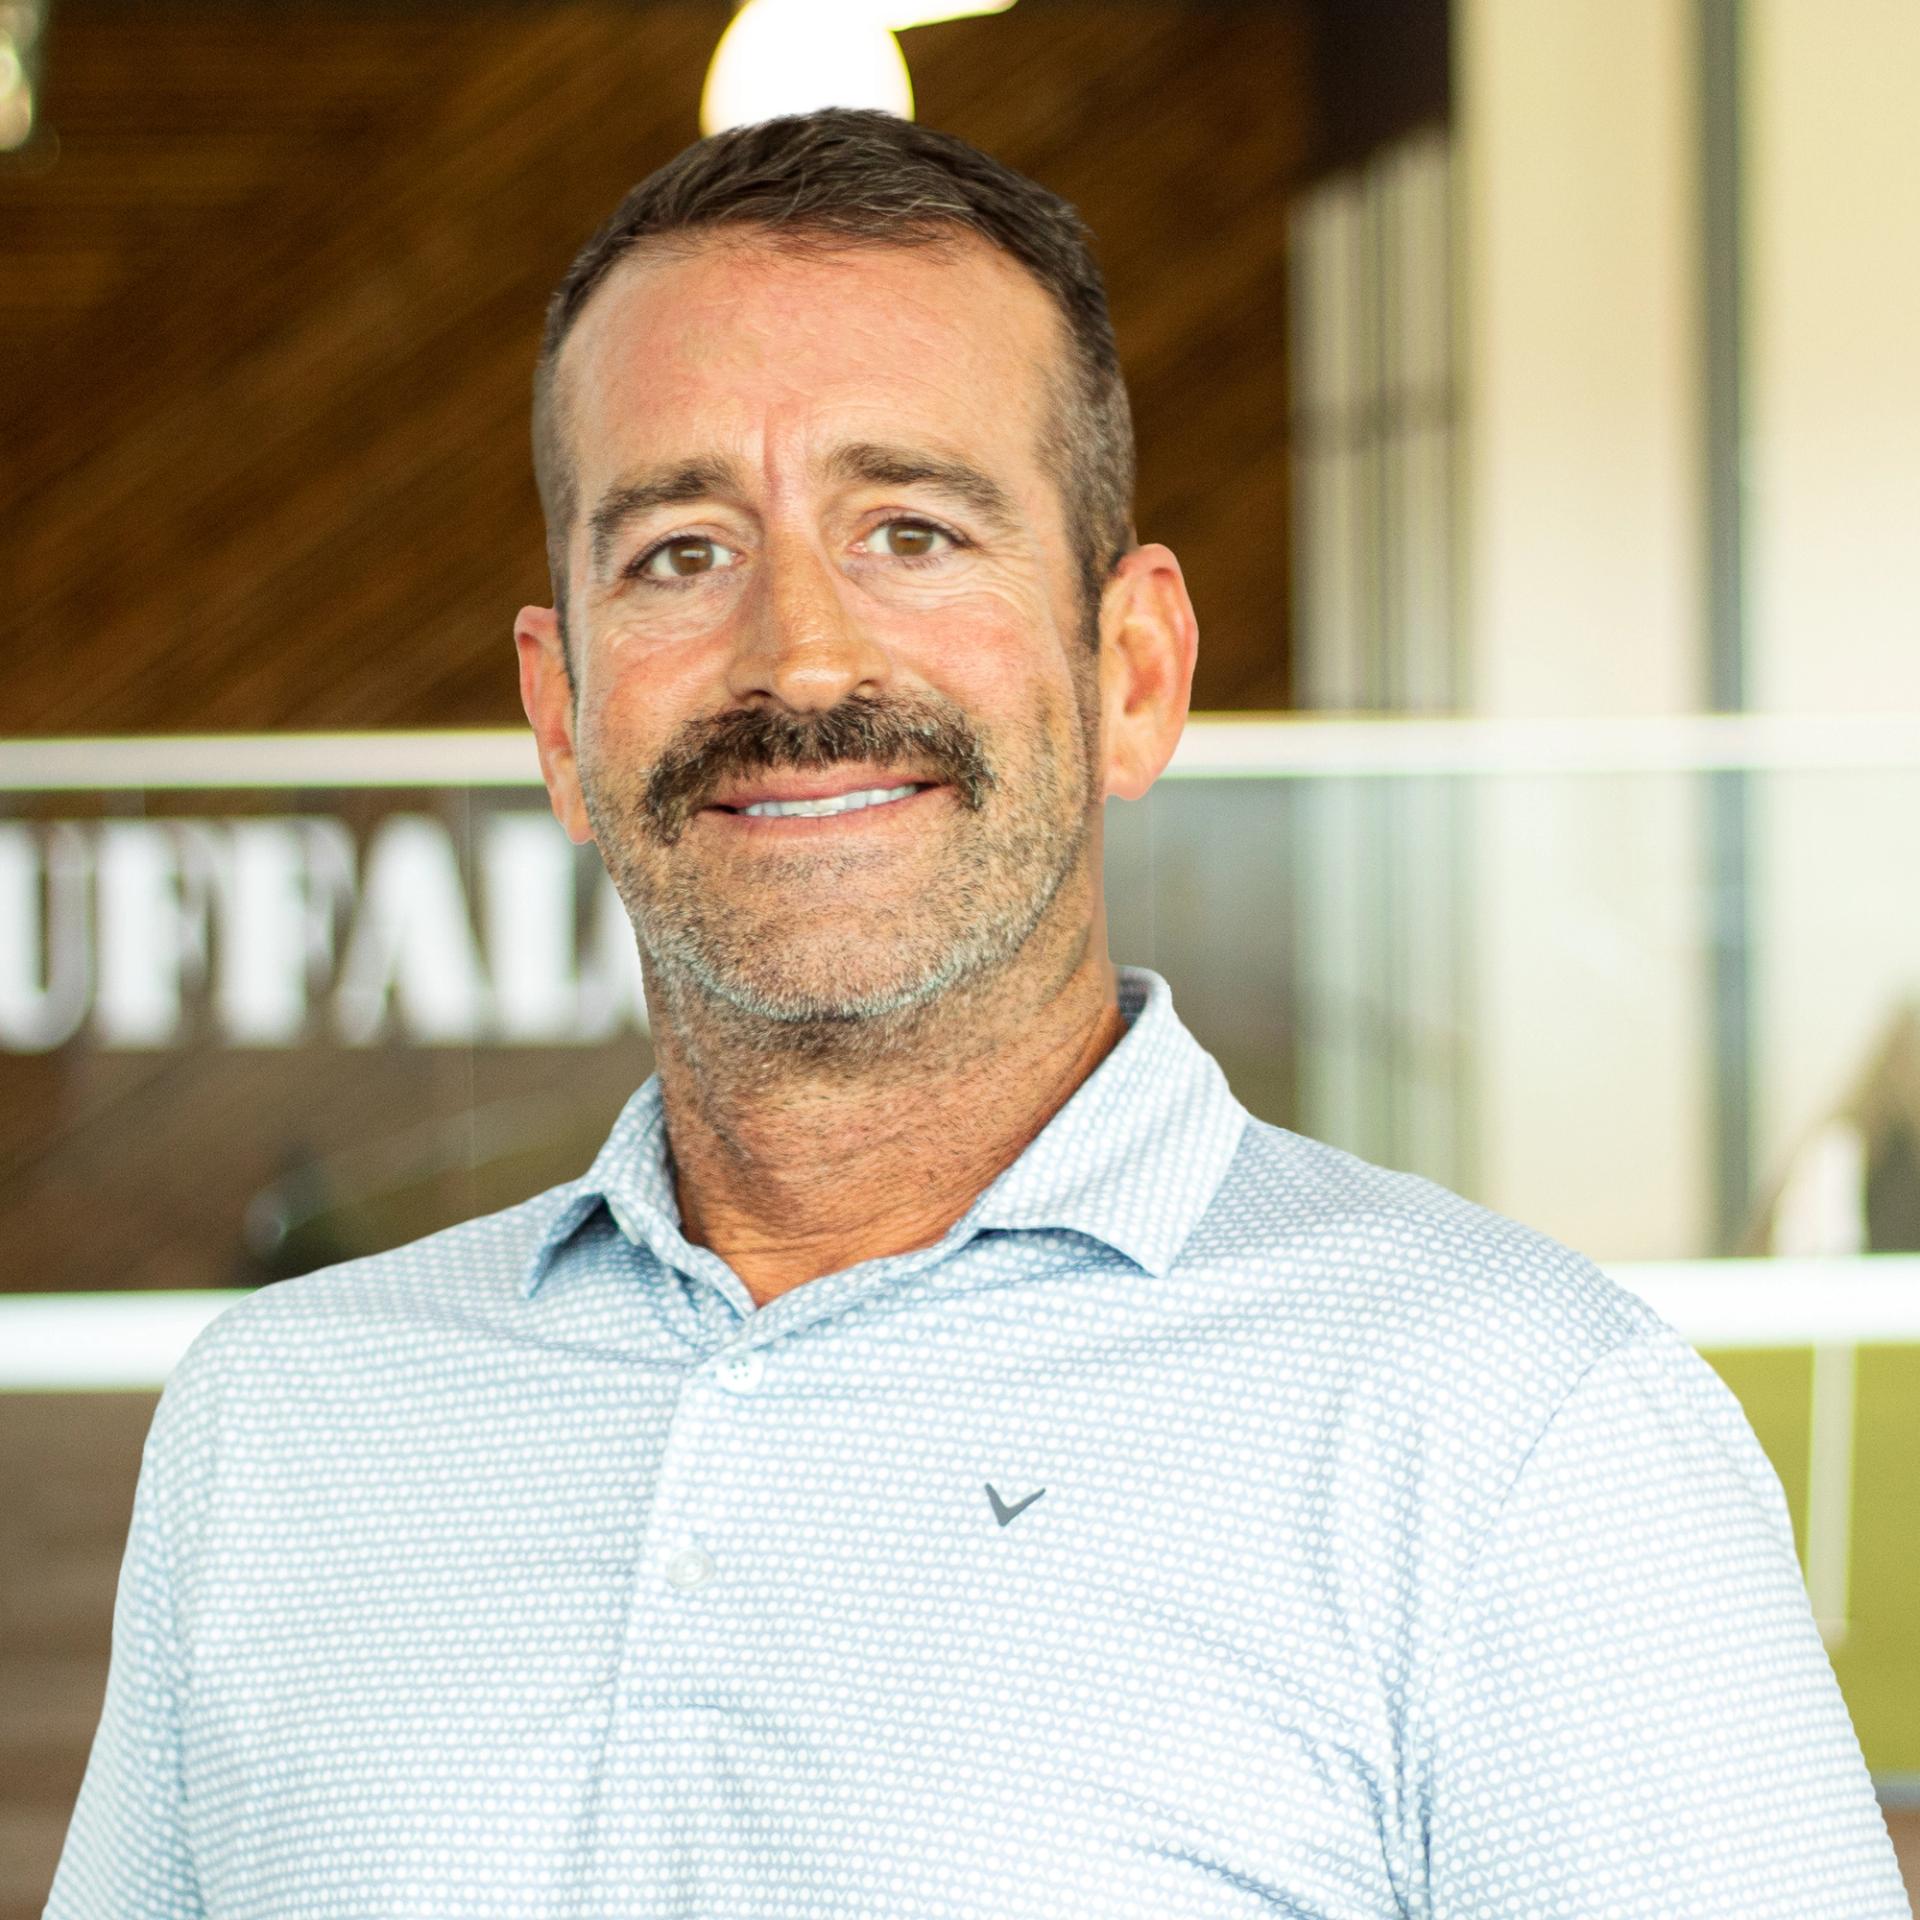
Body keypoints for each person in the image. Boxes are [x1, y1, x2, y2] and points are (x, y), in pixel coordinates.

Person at [47, 108, 1908, 1920]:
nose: (801, 656)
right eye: (679, 550)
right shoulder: (279, 1434)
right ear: (559, 714)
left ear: (1136, 670)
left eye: (915, 531)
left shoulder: (1514, 1431)